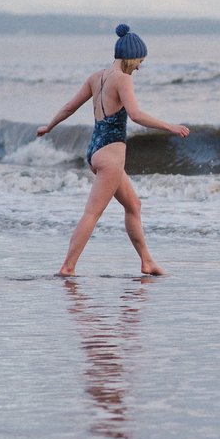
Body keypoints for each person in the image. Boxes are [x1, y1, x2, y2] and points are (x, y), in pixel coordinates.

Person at [37, 24, 190, 276]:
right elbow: (136, 115)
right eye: (140, 60)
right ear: (130, 58)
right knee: (92, 213)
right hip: (110, 157)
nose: (140, 66)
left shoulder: (96, 77)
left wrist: (49, 126)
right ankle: (68, 266)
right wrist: (169, 127)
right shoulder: (123, 79)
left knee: (134, 206)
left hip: (95, 150)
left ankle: (147, 262)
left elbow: (69, 107)